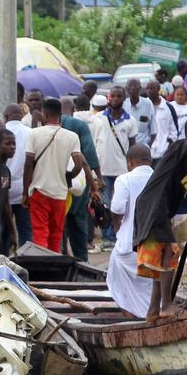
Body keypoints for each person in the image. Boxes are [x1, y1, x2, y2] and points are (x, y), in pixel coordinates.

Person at [133, 115, 187, 321]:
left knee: (161, 260)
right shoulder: (181, 146)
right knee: (170, 254)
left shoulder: (184, 162)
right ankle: (166, 305)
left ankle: (153, 310)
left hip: (155, 208)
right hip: (154, 206)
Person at [23, 97, 88, 253]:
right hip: (60, 193)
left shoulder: (34, 134)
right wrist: (69, 177)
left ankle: (43, 268)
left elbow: (28, 164)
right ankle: (55, 267)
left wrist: (25, 192)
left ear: (45, 115)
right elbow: (79, 163)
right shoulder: (72, 136)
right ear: (60, 115)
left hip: (39, 191)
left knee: (40, 232)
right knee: (56, 234)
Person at [107, 144, 156, 319]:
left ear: (129, 162)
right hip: (155, 247)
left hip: (129, 247)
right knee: (149, 289)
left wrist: (116, 226)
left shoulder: (125, 179)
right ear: (150, 161)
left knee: (117, 286)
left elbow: (117, 209)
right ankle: (149, 318)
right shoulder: (159, 179)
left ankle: (131, 321)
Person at [89, 87, 137, 251]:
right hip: (102, 169)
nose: (115, 98)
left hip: (122, 170)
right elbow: (93, 142)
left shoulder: (130, 120)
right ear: (109, 98)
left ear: (124, 98)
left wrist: (132, 166)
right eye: (113, 96)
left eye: (119, 96)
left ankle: (119, 235)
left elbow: (132, 145)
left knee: (120, 203)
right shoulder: (98, 118)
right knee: (105, 204)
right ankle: (108, 236)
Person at [60, 97, 101, 260]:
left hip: (55, 184)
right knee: (78, 221)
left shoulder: (45, 124)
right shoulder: (78, 125)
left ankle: (61, 255)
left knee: (58, 224)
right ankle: (81, 259)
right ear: (73, 109)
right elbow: (88, 155)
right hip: (77, 183)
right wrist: (97, 181)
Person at [2, 103, 34, 247]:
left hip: (3, 190)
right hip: (24, 190)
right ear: (21, 116)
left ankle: (3, 262)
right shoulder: (30, 133)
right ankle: (27, 264)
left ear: (6, 117)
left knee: (3, 231)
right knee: (26, 231)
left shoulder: (1, 131)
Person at [143, 80, 178, 160]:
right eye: (147, 88)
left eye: (152, 88)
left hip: (163, 152)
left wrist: (170, 148)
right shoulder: (143, 106)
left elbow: (174, 130)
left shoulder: (168, 107)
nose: (149, 91)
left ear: (158, 89)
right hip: (145, 153)